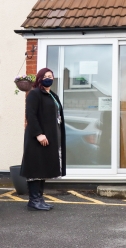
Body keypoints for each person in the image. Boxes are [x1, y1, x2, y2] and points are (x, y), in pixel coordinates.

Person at [20, 68, 66, 211]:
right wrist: (38, 134)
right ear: (40, 78)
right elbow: (31, 115)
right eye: (45, 76)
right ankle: (34, 200)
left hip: (49, 138)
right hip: (37, 139)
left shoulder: (52, 95)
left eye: (50, 76)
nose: (48, 78)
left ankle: (39, 199)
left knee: (43, 168)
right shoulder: (34, 94)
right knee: (35, 168)